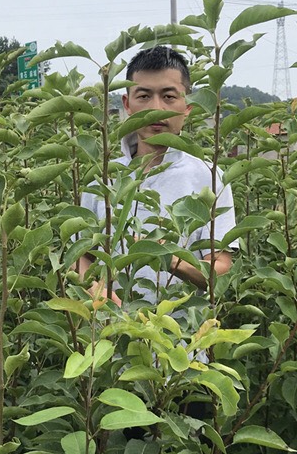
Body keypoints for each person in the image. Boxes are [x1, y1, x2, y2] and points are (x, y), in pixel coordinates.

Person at [76, 46, 238, 307]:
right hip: (111, 338)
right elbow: (82, 257)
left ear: (187, 106)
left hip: (184, 339)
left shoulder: (208, 176)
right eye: (144, 95)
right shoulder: (103, 177)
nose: (156, 109)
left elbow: (221, 268)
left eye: (169, 96)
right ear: (127, 104)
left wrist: (165, 254)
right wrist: (103, 300)